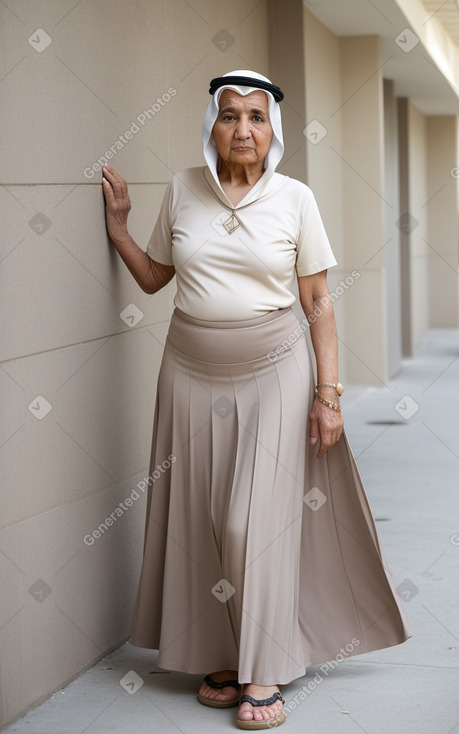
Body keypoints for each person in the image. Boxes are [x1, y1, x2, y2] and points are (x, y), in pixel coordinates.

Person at [102, 69, 411, 730]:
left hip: (275, 370)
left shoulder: (295, 198)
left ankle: (263, 666)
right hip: (187, 369)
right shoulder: (182, 190)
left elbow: (318, 301)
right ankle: (217, 653)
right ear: (210, 124)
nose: (243, 129)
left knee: (253, 522)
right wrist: (123, 230)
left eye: (256, 117)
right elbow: (158, 279)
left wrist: (328, 395)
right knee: (202, 518)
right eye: (229, 116)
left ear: (271, 131)